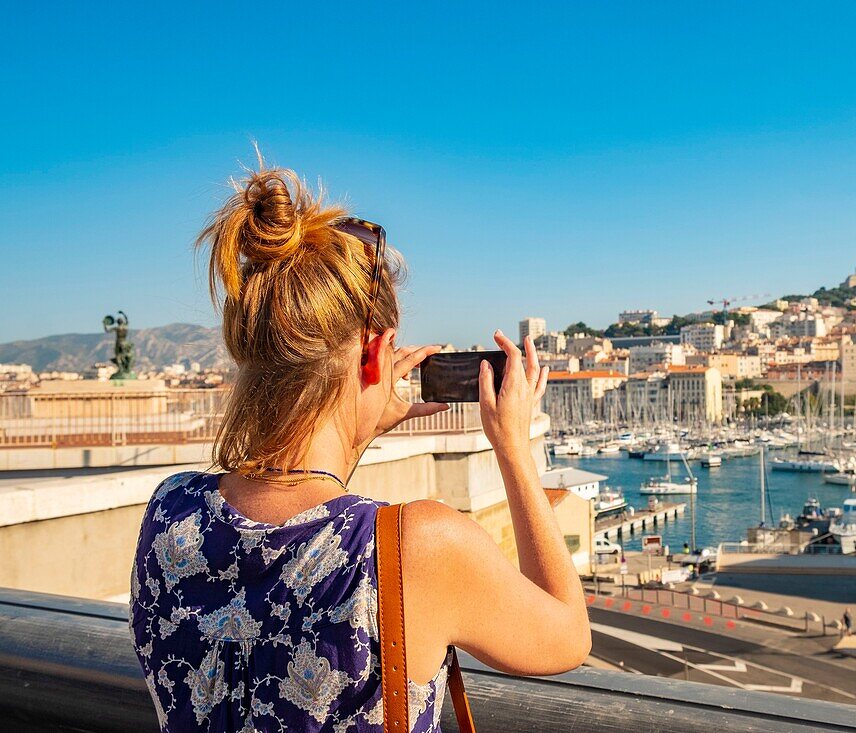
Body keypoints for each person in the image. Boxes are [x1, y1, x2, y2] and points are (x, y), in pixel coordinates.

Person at [127, 162, 591, 732]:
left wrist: (354, 426)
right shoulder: (416, 547)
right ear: (377, 355)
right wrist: (514, 448)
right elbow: (568, 634)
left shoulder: (170, 510)